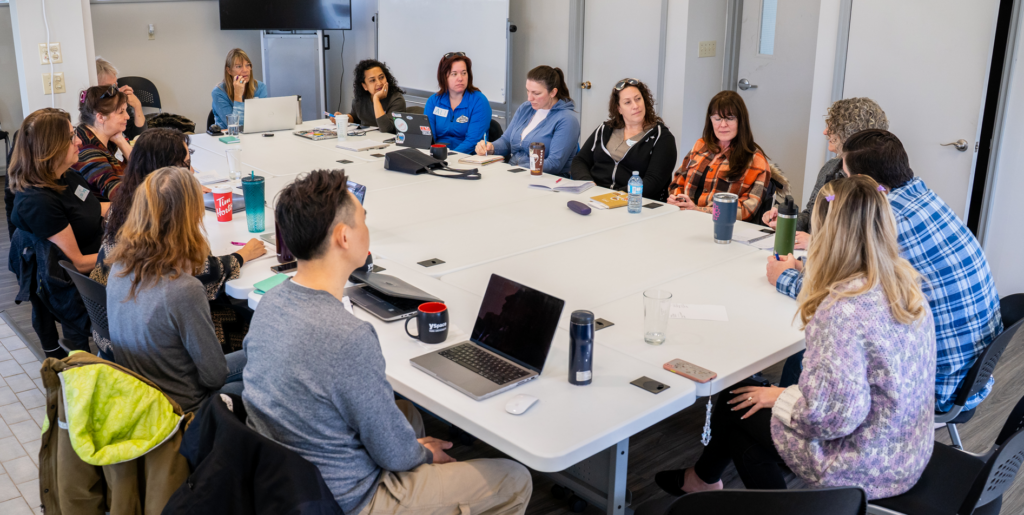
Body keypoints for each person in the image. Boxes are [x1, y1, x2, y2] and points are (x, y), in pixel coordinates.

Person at [243, 169, 532, 515]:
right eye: (363, 220)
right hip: (347, 498)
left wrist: (410, 449)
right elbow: (394, 455)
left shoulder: (270, 302)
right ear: (344, 238)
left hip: (281, 481)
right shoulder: (347, 336)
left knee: (406, 415)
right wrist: (421, 453)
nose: (368, 228)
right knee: (514, 478)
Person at [656, 176, 935, 500]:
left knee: (736, 403)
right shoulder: (905, 285)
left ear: (828, 234)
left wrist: (783, 397)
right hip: (907, 447)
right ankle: (703, 480)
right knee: (747, 410)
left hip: (865, 464)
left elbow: (830, 418)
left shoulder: (840, 312)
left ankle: (716, 485)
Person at [768, 129, 1002, 414]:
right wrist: (805, 266)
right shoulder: (924, 198)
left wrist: (784, 277)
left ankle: (789, 437)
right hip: (969, 370)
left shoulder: (884, 219)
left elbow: (838, 299)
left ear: (865, 183)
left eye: (845, 176)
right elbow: (862, 277)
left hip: (934, 386)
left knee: (806, 354)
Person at [91, 128, 266, 351]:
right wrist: (242, 255)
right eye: (185, 164)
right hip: (151, 337)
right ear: (165, 171)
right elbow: (197, 272)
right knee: (256, 325)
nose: (192, 171)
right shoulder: (157, 217)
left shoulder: (126, 203)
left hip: (124, 325)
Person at [106, 167, 246, 412]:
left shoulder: (119, 266)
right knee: (270, 375)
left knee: (256, 356)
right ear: (190, 217)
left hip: (143, 400)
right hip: (187, 411)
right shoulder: (183, 289)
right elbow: (214, 377)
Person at [9, 108, 108, 358]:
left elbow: (91, 209)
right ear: (50, 146)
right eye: (70, 136)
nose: (79, 141)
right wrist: (126, 254)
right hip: (75, 281)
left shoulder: (67, 175)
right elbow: (76, 263)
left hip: (96, 254)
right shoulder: (38, 201)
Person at [763, 97, 888, 248]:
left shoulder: (875, 183)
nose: (825, 132)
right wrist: (785, 220)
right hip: (811, 257)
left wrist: (816, 244)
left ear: (852, 133)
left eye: (833, 128)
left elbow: (864, 246)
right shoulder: (830, 167)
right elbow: (810, 216)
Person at [668, 91, 769, 221]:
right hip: (684, 218)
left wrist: (698, 210)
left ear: (741, 121)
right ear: (710, 120)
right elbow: (677, 182)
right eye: (717, 119)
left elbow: (746, 210)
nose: (722, 125)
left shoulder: (756, 160)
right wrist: (679, 200)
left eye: (730, 118)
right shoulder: (701, 145)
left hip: (721, 227)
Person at [570, 78, 677, 199]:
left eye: (638, 99)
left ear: (645, 100)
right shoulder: (604, 129)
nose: (635, 106)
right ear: (619, 109)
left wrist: (614, 197)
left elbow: (654, 182)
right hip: (595, 195)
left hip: (634, 202)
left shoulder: (662, 137)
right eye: (628, 102)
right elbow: (580, 161)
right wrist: (588, 185)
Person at [476, 66, 580, 177]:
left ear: (553, 92)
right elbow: (506, 141)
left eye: (536, 93)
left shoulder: (567, 120)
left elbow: (554, 164)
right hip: (515, 173)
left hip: (544, 180)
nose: (529, 98)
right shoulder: (526, 108)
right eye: (528, 91)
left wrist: (516, 170)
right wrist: (491, 148)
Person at [423, 53, 492, 154]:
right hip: (437, 156)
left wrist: (449, 157)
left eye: (464, 73)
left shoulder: (479, 101)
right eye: (454, 74)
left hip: (466, 159)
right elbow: (427, 138)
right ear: (444, 77)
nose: (460, 78)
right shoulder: (433, 101)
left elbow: (473, 142)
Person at [72, 85, 132, 200]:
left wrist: (121, 142)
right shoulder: (88, 152)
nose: (128, 116)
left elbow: (141, 168)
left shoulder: (104, 137)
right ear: (100, 117)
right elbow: (119, 195)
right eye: (121, 112)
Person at [338, 59, 407, 134]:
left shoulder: (396, 99)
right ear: (365, 86)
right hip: (366, 141)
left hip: (388, 143)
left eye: (381, 77)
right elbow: (355, 118)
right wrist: (343, 119)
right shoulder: (360, 100)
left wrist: (376, 99)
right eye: (372, 80)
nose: (379, 83)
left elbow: (386, 128)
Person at [211, 48, 267, 129]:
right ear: (229, 70)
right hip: (227, 138)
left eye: (248, 65)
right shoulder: (218, 92)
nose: (245, 70)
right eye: (239, 66)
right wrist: (238, 94)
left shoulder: (260, 87)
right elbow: (235, 127)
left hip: (254, 136)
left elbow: (264, 120)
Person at [96, 57, 147, 141]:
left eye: (116, 84)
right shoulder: (96, 112)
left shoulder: (120, 101)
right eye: (111, 87)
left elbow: (138, 137)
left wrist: (137, 106)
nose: (116, 90)